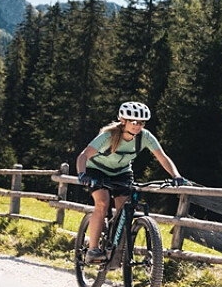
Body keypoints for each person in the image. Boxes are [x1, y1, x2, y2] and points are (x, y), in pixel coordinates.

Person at [75, 101, 188, 263]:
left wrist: (176, 175)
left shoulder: (145, 137)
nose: (137, 126)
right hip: (97, 171)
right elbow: (83, 155)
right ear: (123, 121)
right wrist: (82, 174)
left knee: (125, 210)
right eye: (133, 122)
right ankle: (92, 249)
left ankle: (117, 247)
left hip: (122, 173)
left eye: (141, 123)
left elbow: (162, 157)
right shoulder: (108, 136)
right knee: (102, 203)